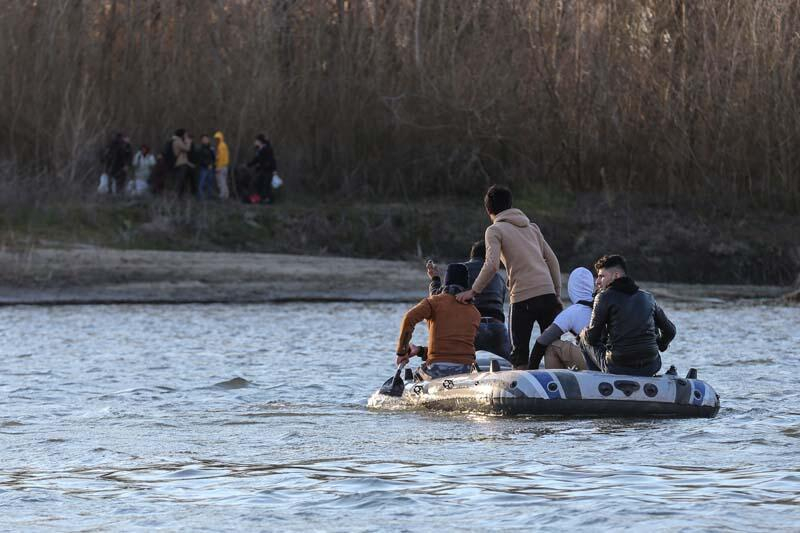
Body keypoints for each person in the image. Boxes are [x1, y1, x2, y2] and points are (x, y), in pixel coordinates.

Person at [456, 185, 562, 370]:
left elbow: (491, 265)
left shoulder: (494, 230)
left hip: (522, 298)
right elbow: (552, 260)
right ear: (511, 205)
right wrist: (557, 294)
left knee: (519, 355)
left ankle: (523, 394)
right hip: (548, 295)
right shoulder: (533, 228)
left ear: (488, 210)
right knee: (553, 348)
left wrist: (473, 291)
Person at [579, 255, 676, 376]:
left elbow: (592, 338)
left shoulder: (603, 297)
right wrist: (660, 345)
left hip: (617, 368)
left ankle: (597, 382)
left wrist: (585, 333)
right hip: (651, 366)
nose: (597, 281)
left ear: (616, 276)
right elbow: (671, 331)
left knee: (584, 337)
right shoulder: (648, 297)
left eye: (602, 276)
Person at [396, 263, 480, 381]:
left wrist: (402, 352)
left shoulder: (433, 303)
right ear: (466, 285)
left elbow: (408, 318)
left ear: (446, 282)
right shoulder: (475, 313)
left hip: (436, 370)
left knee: (415, 376)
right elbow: (454, 350)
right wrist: (420, 351)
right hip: (467, 370)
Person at [428, 241, 511, 359]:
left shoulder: (459, 271)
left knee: (457, 365)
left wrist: (435, 279)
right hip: (497, 328)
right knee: (512, 365)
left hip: (471, 328)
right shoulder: (498, 277)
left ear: (472, 255)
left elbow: (438, 299)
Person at [528, 267, 595, 370]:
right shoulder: (600, 303)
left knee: (551, 346)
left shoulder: (573, 311)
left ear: (571, 287)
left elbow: (541, 341)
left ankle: (553, 383)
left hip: (593, 362)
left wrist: (531, 371)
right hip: (608, 360)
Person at [247, 134, 277, 204]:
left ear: (260, 141)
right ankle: (258, 199)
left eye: (256, 140)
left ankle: (267, 200)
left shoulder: (268, 149)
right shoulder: (259, 149)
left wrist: (274, 170)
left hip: (268, 170)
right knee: (257, 184)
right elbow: (256, 159)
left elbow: (272, 160)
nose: (255, 142)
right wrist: (248, 165)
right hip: (262, 170)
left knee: (266, 186)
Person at [172, 129, 194, 198]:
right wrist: (188, 142)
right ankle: (178, 195)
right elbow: (187, 149)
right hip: (181, 164)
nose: (186, 136)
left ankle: (180, 195)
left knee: (182, 180)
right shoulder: (178, 141)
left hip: (181, 163)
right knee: (181, 180)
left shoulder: (177, 141)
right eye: (185, 134)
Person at [196, 134, 216, 200]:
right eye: (204, 139)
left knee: (210, 183)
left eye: (206, 139)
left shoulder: (211, 148)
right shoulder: (200, 148)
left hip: (211, 168)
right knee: (201, 182)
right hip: (203, 168)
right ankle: (200, 197)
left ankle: (209, 197)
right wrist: (207, 165)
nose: (205, 140)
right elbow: (200, 159)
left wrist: (212, 165)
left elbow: (214, 158)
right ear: (201, 140)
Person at [213, 131, 230, 199]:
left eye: (217, 138)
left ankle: (222, 195)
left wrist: (218, 167)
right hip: (225, 166)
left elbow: (221, 157)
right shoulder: (224, 145)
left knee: (221, 182)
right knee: (224, 182)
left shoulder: (221, 146)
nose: (216, 140)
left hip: (221, 167)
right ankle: (226, 195)